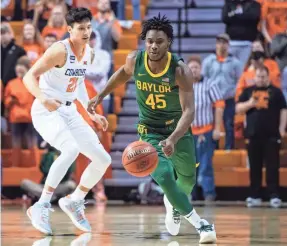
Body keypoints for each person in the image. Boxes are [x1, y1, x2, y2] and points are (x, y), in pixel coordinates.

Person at [88, 14, 217, 244]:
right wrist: (100, 95)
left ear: (169, 43)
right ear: (144, 41)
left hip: (178, 130)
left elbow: (189, 112)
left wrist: (174, 139)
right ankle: (202, 224)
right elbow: (121, 75)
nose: (154, 46)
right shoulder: (134, 60)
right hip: (149, 131)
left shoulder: (180, 71)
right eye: (149, 41)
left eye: (159, 41)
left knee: (186, 181)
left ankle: (174, 203)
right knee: (165, 175)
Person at [23, 7, 111, 235]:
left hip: (70, 111)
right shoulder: (59, 50)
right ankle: (40, 205)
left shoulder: (88, 52)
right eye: (81, 28)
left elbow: (77, 83)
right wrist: (43, 98)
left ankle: (75, 199)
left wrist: (90, 112)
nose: (86, 32)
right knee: (71, 149)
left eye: (89, 28)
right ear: (69, 30)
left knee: (103, 159)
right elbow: (28, 76)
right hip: (46, 111)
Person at [236, 66, 287, 208]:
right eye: (258, 76)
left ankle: (274, 195)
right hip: (253, 136)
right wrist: (250, 103)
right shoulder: (248, 91)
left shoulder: (276, 92)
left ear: (268, 77)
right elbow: (238, 108)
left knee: (272, 167)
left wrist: (282, 129)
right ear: (254, 77)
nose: (261, 79)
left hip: (271, 135)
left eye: (264, 76)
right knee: (254, 167)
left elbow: (284, 110)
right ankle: (255, 195)